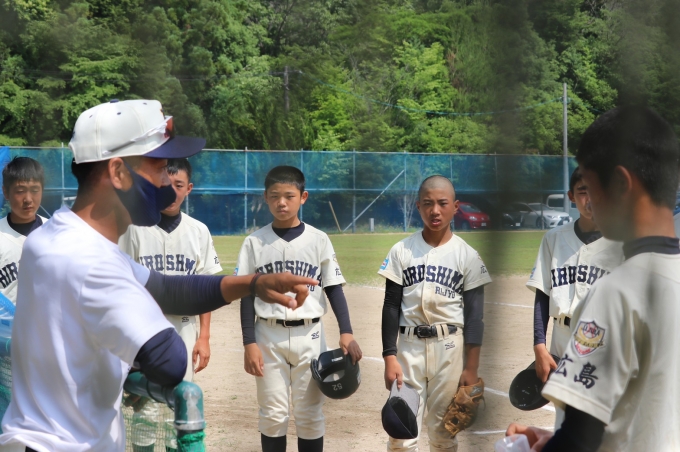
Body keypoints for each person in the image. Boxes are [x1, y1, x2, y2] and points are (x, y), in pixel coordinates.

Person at [0, 99, 317, 452]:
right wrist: (136, 357)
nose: (168, 183)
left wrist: (253, 284)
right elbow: (169, 361)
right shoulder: (89, 260)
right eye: (161, 168)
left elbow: (166, 288)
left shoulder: (54, 235)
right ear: (118, 173)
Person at [507, 106, 680, 451]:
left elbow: (578, 440)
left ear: (620, 185)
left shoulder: (617, 292)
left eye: (591, 186)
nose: (587, 202)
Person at [236, 165, 362, 452]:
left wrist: (346, 331)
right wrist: (249, 342)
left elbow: (333, 287)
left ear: (303, 197)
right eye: (275, 196)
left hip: (311, 336)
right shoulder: (254, 242)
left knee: (310, 415)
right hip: (267, 336)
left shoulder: (318, 239)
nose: (282, 202)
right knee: (272, 415)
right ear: (265, 198)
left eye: (289, 196)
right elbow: (246, 295)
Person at [379, 175, 491, 452]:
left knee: (443, 434)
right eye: (428, 204)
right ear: (418, 206)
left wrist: (471, 368)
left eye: (442, 203)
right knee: (401, 434)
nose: (435, 211)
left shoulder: (467, 255)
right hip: (408, 349)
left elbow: (475, 317)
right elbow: (391, 305)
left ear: (456, 206)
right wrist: (389, 356)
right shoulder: (402, 250)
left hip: (449, 349)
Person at [119, 157, 222, 452]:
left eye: (179, 185)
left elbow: (205, 288)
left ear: (189, 188)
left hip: (185, 327)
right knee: (145, 413)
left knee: (180, 405)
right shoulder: (134, 228)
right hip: (143, 328)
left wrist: (204, 336)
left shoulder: (198, 231)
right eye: (167, 183)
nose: (172, 191)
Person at [526, 168, 623, 427]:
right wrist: (539, 346)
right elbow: (543, 294)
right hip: (562, 340)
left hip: (604, 342)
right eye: (583, 192)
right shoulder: (554, 239)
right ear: (571, 196)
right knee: (565, 421)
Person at [0, 157, 48, 303]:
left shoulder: (55, 232)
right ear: (6, 192)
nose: (28, 199)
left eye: (35, 190)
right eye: (20, 191)